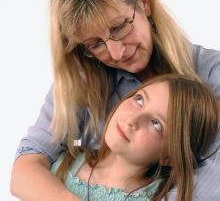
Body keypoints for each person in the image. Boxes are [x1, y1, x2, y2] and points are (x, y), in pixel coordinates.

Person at [10, 0, 220, 200]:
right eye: (95, 44)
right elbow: (28, 163)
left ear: (144, 1)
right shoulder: (85, 76)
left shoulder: (213, 74)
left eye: (119, 27)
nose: (117, 53)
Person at [51, 74, 220, 201]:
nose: (132, 120)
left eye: (156, 123)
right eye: (139, 99)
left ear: (169, 157)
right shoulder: (62, 161)